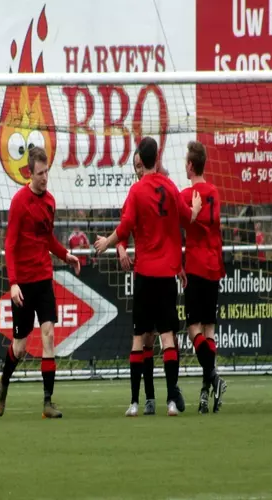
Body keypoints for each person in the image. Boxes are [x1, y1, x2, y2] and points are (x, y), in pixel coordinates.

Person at [95, 136, 201, 416]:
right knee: (167, 337)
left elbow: (125, 226)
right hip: (166, 274)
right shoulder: (170, 186)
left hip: (144, 273)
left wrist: (107, 241)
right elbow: (187, 218)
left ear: (142, 159)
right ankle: (169, 402)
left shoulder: (137, 191)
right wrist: (197, 211)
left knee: (138, 338)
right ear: (158, 157)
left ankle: (133, 402)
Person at [0, 146, 81, 419]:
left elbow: (48, 240)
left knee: (48, 336)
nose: (45, 177)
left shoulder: (50, 202)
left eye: (47, 172)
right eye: (40, 173)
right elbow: (9, 244)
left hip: (44, 279)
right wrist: (13, 283)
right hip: (23, 284)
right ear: (29, 174)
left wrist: (66, 255)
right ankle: (4, 382)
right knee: (20, 347)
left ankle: (47, 403)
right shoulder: (20, 202)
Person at [116, 150, 185, 416]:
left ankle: (156, 398)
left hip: (150, 272)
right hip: (156, 271)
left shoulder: (143, 191)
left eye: (138, 165)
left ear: (144, 163)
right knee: (149, 339)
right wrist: (121, 247)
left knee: (151, 337)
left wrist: (178, 264)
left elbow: (166, 230)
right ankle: (150, 397)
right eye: (133, 166)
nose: (137, 169)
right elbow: (125, 227)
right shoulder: (137, 192)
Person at [179, 140, 227, 414]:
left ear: (189, 165)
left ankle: (214, 378)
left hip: (197, 266)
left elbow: (182, 222)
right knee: (209, 329)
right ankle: (205, 394)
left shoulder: (187, 195)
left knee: (192, 327)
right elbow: (214, 221)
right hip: (214, 266)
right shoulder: (214, 192)